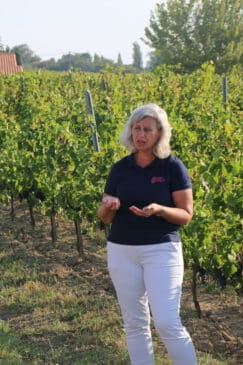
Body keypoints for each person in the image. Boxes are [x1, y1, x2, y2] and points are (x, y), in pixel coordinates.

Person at [98, 103, 197, 365]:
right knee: (134, 323)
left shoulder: (172, 167)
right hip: (122, 250)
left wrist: (160, 210)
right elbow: (104, 217)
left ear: (160, 133)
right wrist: (108, 207)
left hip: (161, 250)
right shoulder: (120, 168)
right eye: (136, 129)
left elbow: (186, 215)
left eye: (147, 130)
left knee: (166, 320)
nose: (140, 135)